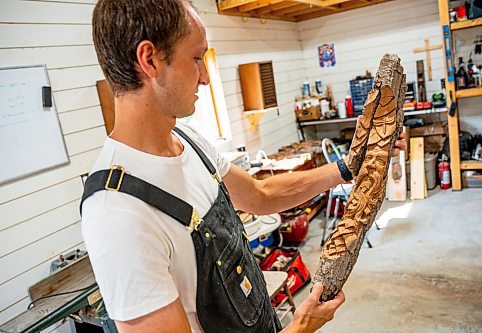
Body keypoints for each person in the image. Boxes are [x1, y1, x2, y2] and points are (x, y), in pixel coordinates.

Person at [81, 0, 406, 332]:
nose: (206, 78)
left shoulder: (189, 141)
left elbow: (260, 195)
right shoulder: (117, 213)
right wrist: (302, 326)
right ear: (149, 60)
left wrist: (347, 167)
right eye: (196, 59)